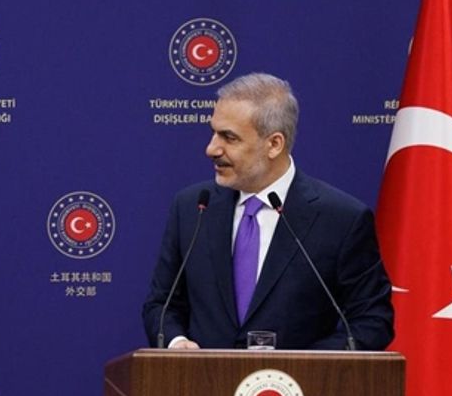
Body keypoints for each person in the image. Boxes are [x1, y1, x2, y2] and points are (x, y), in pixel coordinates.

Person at [142, 73, 393, 350]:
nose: (211, 149)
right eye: (213, 132)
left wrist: (300, 366)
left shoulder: (341, 219)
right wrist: (177, 343)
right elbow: (162, 305)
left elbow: (372, 322)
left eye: (229, 137)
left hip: (296, 380)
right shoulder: (193, 207)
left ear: (274, 144)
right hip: (202, 377)